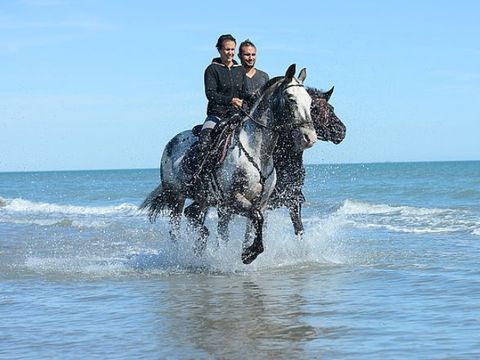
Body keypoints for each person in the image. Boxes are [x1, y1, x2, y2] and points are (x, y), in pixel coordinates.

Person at [194, 34, 250, 181]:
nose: (230, 53)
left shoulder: (240, 70)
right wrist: (230, 100)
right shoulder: (212, 69)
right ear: (219, 50)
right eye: (227, 49)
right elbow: (210, 94)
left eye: (232, 49)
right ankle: (201, 180)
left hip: (237, 115)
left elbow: (244, 93)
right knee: (204, 140)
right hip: (216, 115)